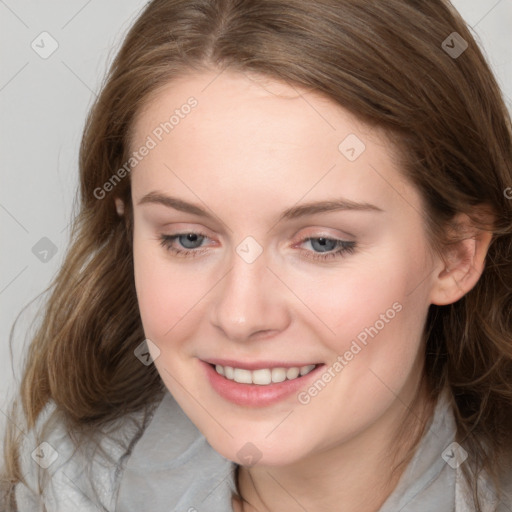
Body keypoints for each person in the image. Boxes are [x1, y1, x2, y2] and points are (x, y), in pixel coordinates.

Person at [2, 0, 512, 510]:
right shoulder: (67, 478)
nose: (240, 316)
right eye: (188, 238)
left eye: (322, 243)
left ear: (456, 256)